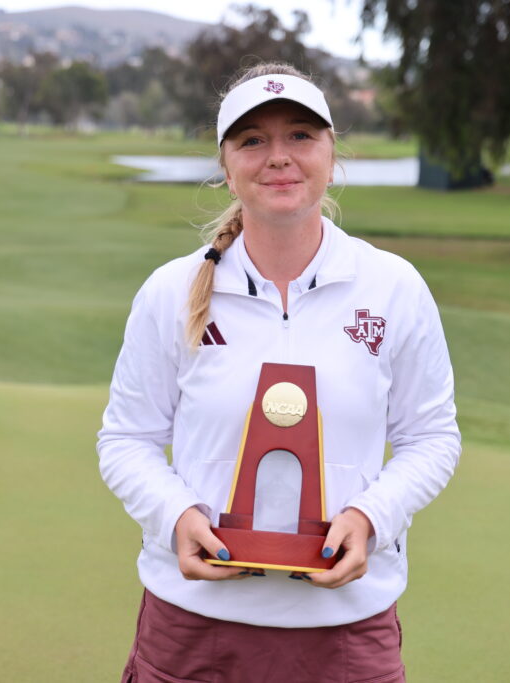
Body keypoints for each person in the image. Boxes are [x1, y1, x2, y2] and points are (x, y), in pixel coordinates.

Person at [98, 61, 461, 683]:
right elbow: (125, 439)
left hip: (345, 628)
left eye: (300, 135)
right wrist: (176, 515)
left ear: (331, 151)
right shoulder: (171, 291)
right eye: (253, 140)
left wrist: (373, 518)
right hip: (194, 625)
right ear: (226, 163)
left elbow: (432, 438)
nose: (279, 157)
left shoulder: (393, 287)